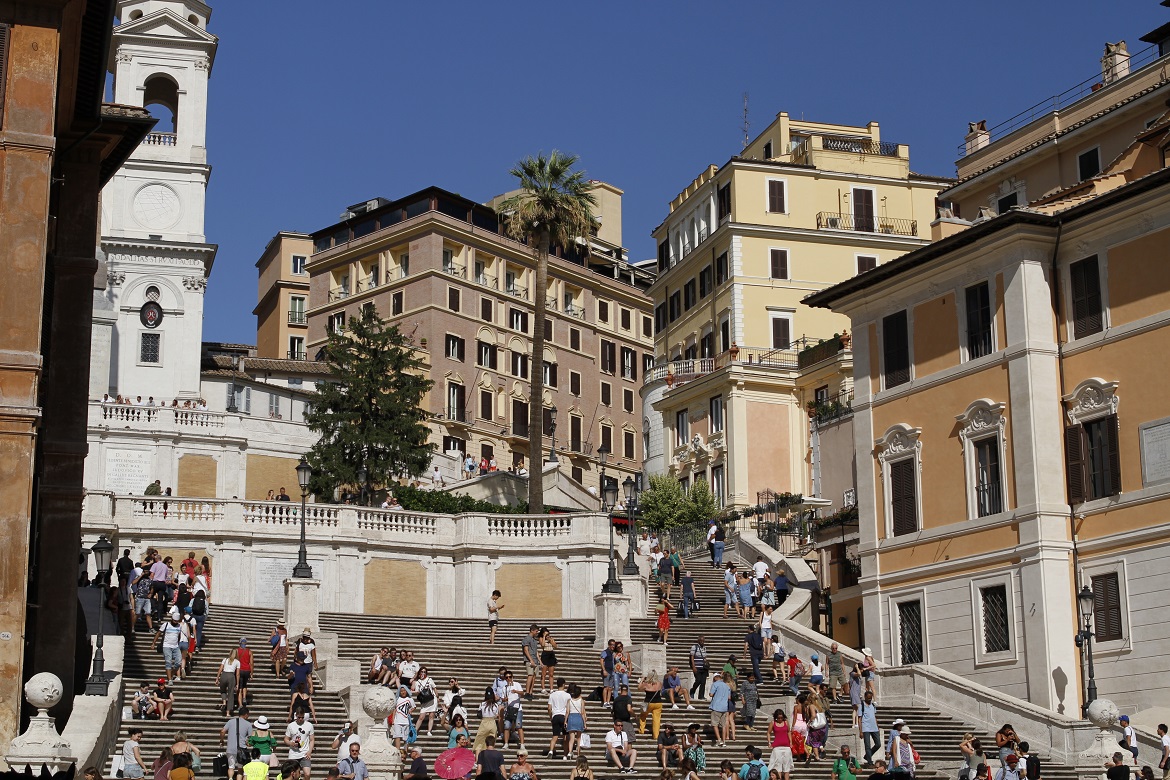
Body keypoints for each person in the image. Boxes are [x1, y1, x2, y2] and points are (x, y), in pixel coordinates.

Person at [221, 706, 253, 778]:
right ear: (246, 715)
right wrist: (248, 743)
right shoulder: (248, 724)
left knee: (231, 767)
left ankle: (230, 778)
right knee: (240, 769)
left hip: (230, 748)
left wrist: (222, 740)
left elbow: (222, 731)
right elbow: (249, 739)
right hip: (241, 749)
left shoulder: (230, 721)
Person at [285, 710, 316, 780]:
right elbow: (286, 739)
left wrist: (309, 751)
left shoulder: (309, 725)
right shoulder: (291, 726)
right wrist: (291, 743)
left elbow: (312, 740)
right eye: (299, 717)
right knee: (292, 775)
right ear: (296, 716)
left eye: (302, 717)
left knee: (307, 774)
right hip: (293, 754)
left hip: (304, 753)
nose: (301, 719)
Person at [545, 678, 571, 759]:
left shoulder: (552, 695)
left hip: (555, 715)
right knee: (565, 737)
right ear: (564, 685)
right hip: (563, 716)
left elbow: (549, 708)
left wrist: (551, 716)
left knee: (555, 736)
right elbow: (568, 708)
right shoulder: (567, 695)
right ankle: (565, 755)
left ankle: (551, 751)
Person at [501, 671, 526, 750]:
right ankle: (506, 743)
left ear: (512, 677)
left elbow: (523, 693)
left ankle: (522, 744)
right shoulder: (504, 688)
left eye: (510, 677)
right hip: (509, 709)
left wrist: (516, 691)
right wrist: (505, 699)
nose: (508, 679)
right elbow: (503, 699)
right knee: (507, 726)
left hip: (517, 708)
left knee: (519, 726)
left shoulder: (517, 684)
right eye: (507, 677)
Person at [767, 710, 793, 780]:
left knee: (787, 766)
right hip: (777, 746)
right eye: (778, 718)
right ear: (776, 717)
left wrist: (791, 742)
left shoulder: (786, 722)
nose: (780, 719)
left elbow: (788, 732)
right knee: (778, 765)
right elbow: (768, 732)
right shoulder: (773, 723)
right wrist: (769, 742)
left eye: (781, 718)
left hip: (786, 746)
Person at [709, 671, 732, 747]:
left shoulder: (715, 684)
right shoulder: (727, 686)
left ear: (715, 678)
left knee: (715, 724)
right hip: (724, 707)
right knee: (723, 725)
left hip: (716, 706)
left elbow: (711, 694)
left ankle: (719, 740)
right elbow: (729, 698)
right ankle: (724, 741)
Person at [565, 682, 587, 759]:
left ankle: (570, 752)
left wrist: (565, 721)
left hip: (571, 717)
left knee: (571, 738)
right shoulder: (581, 701)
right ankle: (578, 753)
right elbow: (582, 712)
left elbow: (567, 712)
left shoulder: (569, 700)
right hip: (578, 718)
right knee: (578, 738)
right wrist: (584, 723)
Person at [414, 667, 438, 736]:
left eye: (424, 672)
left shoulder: (430, 679)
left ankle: (429, 731)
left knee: (431, 716)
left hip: (432, 699)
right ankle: (415, 731)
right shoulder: (417, 682)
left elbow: (434, 688)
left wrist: (437, 696)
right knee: (421, 716)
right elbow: (417, 692)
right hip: (424, 700)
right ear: (419, 673)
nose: (423, 673)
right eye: (422, 672)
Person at [859, 692, 880, 767]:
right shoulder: (861, 705)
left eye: (870, 698)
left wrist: (877, 727)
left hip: (874, 727)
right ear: (865, 697)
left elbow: (874, 716)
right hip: (866, 728)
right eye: (868, 697)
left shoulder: (873, 705)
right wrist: (860, 731)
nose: (869, 699)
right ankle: (870, 761)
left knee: (878, 744)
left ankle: (867, 755)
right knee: (867, 745)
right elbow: (859, 718)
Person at [218, 648, 241, 716]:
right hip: (231, 676)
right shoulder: (237, 662)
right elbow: (237, 674)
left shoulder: (225, 660)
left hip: (224, 674)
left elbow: (220, 669)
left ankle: (224, 702)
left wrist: (217, 678)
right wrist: (237, 683)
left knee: (222, 690)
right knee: (231, 694)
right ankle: (228, 712)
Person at [392, 685, 415, 749]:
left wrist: (410, 711)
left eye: (404, 690)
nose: (403, 692)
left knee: (406, 738)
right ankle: (398, 751)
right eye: (401, 691)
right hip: (397, 721)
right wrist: (393, 720)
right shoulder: (397, 699)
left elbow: (414, 707)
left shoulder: (410, 699)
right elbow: (394, 710)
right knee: (397, 736)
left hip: (406, 721)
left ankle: (405, 751)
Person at [522, 624, 541, 700]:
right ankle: (527, 692)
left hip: (535, 660)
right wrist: (531, 660)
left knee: (534, 676)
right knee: (530, 675)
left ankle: (530, 692)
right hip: (529, 660)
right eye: (536, 631)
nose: (537, 633)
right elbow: (526, 650)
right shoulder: (526, 639)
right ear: (532, 630)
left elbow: (536, 652)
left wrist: (540, 661)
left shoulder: (534, 640)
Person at [537, 629, 558, 693]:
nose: (547, 635)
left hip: (551, 654)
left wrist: (551, 640)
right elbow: (542, 645)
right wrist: (544, 637)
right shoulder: (541, 638)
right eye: (546, 634)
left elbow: (555, 646)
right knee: (544, 673)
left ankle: (551, 689)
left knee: (551, 674)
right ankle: (543, 688)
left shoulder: (551, 638)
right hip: (545, 654)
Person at [237, 639, 254, 710]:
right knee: (245, 685)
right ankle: (244, 697)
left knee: (239, 687)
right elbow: (252, 663)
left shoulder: (237, 651)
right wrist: (252, 673)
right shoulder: (249, 651)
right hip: (247, 670)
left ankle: (240, 704)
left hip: (239, 670)